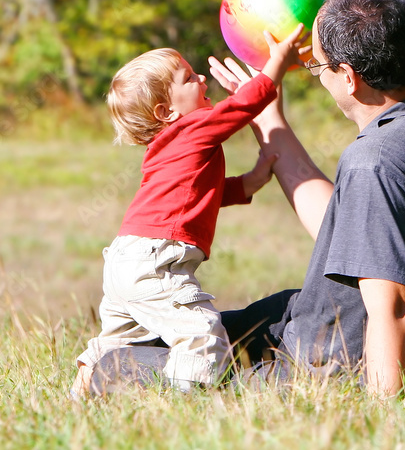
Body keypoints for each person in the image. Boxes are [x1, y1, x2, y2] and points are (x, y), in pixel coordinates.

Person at [209, 0, 405, 396]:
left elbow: (391, 308)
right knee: (177, 330)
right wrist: (268, 120)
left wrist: (381, 421)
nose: (319, 77)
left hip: (325, 371)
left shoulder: (373, 160)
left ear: (349, 77)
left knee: (123, 362)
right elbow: (352, 231)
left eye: (320, 67)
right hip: (323, 332)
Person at [71, 29, 307, 397]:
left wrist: (248, 183)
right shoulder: (191, 127)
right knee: (201, 331)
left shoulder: (166, 146)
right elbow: (242, 107)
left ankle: (84, 386)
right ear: (167, 111)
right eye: (187, 78)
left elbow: (195, 193)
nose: (200, 78)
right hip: (154, 260)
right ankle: (188, 398)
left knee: (120, 338)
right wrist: (276, 62)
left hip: (125, 258)